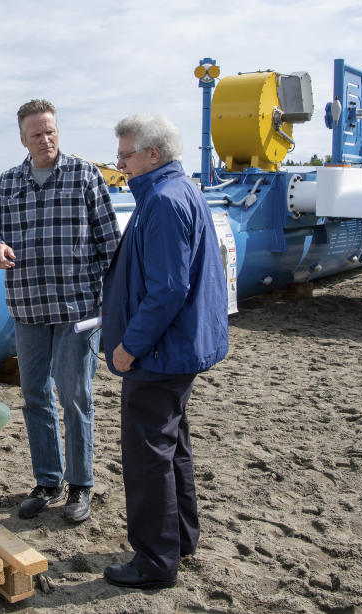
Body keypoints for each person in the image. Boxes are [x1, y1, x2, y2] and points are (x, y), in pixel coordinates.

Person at [100, 113, 229, 588]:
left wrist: (129, 347)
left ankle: (154, 561)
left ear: (153, 154)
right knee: (172, 447)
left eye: (125, 154)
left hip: (158, 354)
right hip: (177, 351)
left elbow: (168, 289)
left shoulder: (163, 201)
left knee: (148, 455)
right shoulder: (181, 190)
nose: (119, 164)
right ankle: (181, 537)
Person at [0, 99, 120, 523]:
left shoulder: (84, 175)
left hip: (77, 307)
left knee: (76, 397)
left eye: (51, 131)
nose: (46, 139)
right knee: (34, 396)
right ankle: (48, 481)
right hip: (27, 306)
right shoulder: (7, 183)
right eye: (37, 134)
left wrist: (115, 302)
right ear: (23, 139)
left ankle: (81, 486)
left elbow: (110, 242)